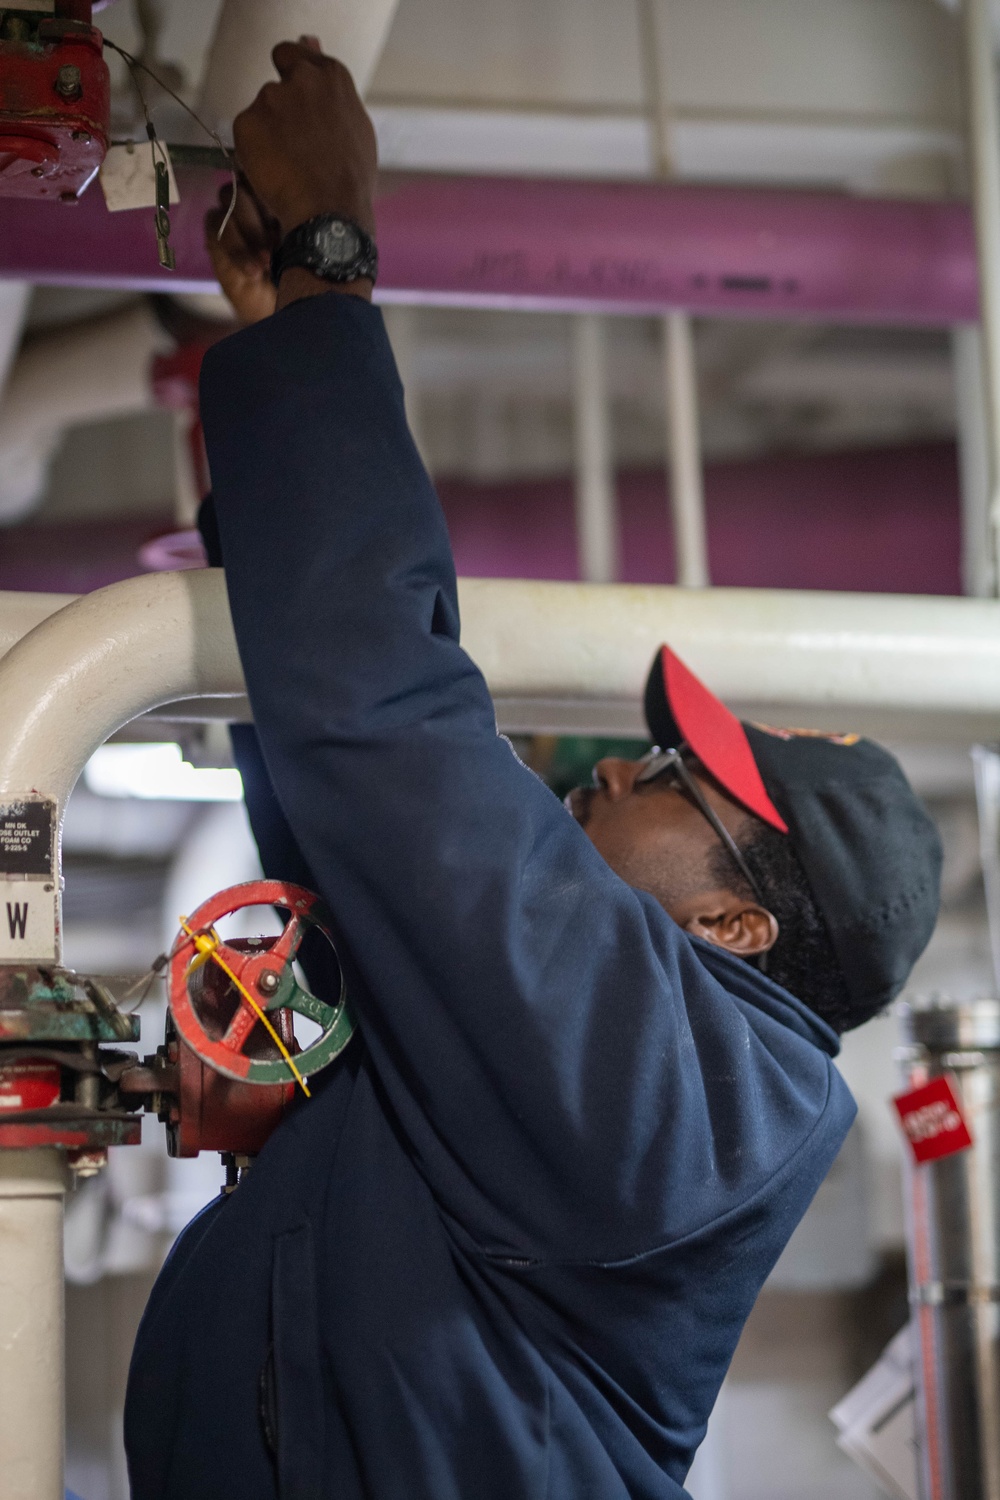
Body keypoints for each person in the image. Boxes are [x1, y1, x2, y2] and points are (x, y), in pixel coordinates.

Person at [124, 41, 942, 1500]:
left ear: (737, 929)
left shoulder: (700, 1092)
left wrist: (328, 274)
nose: (620, 776)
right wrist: (280, 369)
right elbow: (354, 805)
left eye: (676, 785)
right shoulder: (638, 1064)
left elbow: (390, 732)